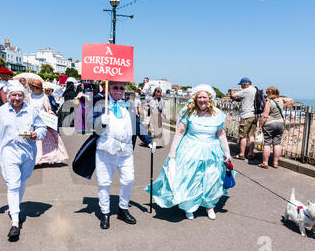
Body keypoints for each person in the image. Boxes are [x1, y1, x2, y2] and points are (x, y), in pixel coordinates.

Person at [146, 84, 233, 220]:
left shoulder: (217, 114)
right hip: (190, 149)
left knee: (211, 179)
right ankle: (189, 207)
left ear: (209, 98)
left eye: (205, 97)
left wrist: (227, 153)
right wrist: (172, 152)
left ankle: (209, 206)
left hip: (212, 151)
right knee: (190, 178)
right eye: (199, 97)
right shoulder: (189, 112)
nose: (202, 100)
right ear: (195, 99)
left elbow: (221, 134)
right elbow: (179, 133)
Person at [0, 80, 47, 239]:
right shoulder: (1, 112)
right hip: (8, 152)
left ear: (24, 96)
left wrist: (36, 134)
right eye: (13, 95)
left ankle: (15, 207)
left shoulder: (31, 110)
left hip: (27, 152)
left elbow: (42, 128)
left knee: (22, 181)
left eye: (20, 95)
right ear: (8, 96)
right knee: (13, 184)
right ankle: (15, 222)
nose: (16, 98)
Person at [92, 81, 154, 230]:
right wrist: (100, 120)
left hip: (125, 152)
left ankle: (123, 208)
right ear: (109, 88)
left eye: (121, 88)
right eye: (115, 87)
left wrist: (149, 141)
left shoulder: (128, 106)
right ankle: (105, 212)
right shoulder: (100, 103)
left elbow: (137, 125)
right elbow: (88, 123)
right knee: (104, 183)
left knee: (128, 180)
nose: (119, 90)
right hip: (105, 151)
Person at [28, 80, 69, 165]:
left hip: (42, 121)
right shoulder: (29, 96)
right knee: (33, 140)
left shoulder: (44, 97)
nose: (32, 89)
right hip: (32, 120)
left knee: (46, 141)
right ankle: (35, 159)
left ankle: (47, 157)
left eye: (34, 87)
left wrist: (51, 117)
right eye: (31, 87)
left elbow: (48, 109)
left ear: (38, 88)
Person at [258, 87, 293, 169]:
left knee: (267, 143)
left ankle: (265, 162)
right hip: (280, 123)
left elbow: (265, 116)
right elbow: (290, 100)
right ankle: (275, 163)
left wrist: (260, 126)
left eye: (267, 93)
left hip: (270, 123)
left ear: (269, 94)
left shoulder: (269, 102)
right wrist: (279, 98)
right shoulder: (281, 101)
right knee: (277, 143)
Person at [230, 77, 257, 160]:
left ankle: (241, 154)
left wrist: (233, 94)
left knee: (243, 136)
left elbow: (233, 96)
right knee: (251, 135)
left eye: (241, 85)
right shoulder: (255, 90)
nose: (241, 87)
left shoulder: (246, 90)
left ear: (245, 84)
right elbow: (242, 99)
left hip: (246, 116)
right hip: (254, 115)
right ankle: (250, 154)